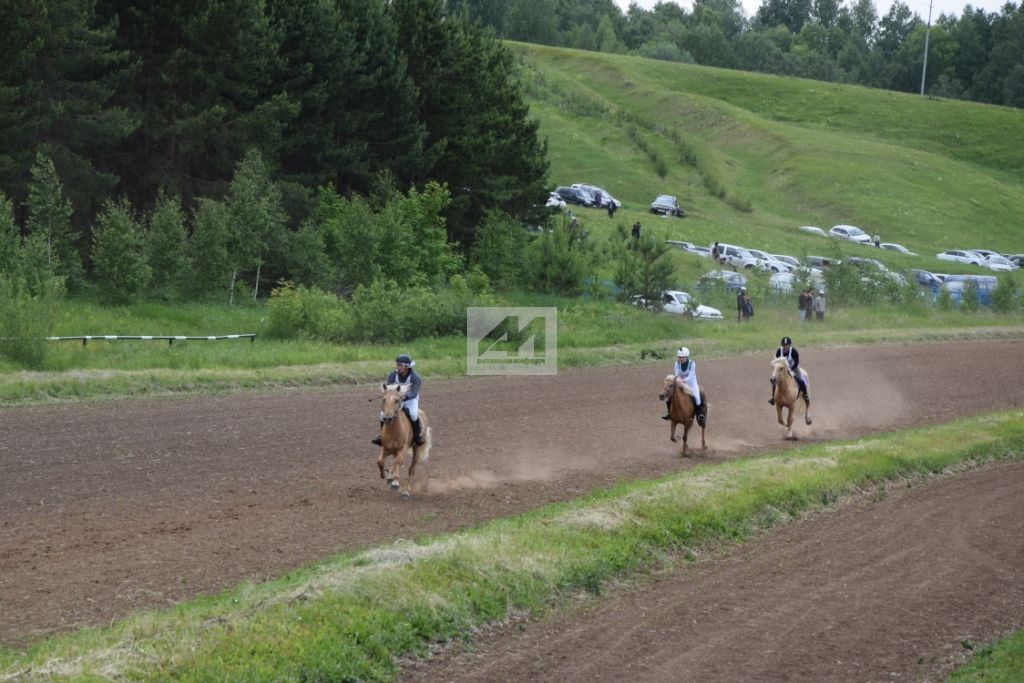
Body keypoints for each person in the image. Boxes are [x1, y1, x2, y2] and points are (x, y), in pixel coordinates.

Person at [371, 353, 425, 447]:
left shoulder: (415, 377)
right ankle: (382, 436)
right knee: (382, 415)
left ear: (407, 366)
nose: (398, 367)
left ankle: (417, 437)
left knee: (413, 414)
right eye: (397, 364)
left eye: (400, 365)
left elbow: (414, 393)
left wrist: (405, 396)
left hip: (409, 399)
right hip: (394, 400)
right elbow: (388, 389)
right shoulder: (392, 375)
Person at [663, 347, 706, 426]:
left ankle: (699, 415)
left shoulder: (692, 364)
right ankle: (669, 413)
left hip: (691, 383)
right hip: (680, 383)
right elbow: (676, 374)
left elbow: (691, 375)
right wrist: (679, 381)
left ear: (687, 356)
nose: (681, 359)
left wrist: (683, 380)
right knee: (669, 395)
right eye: (679, 357)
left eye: (683, 357)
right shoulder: (677, 363)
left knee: (697, 397)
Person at [769, 336, 809, 404]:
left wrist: (791, 369)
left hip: (794, 368)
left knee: (800, 379)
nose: (785, 347)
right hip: (782, 369)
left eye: (787, 345)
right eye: (784, 345)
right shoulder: (779, 351)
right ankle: (773, 398)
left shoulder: (793, 351)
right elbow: (776, 361)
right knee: (775, 380)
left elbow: (796, 362)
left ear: (789, 345)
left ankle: (805, 394)